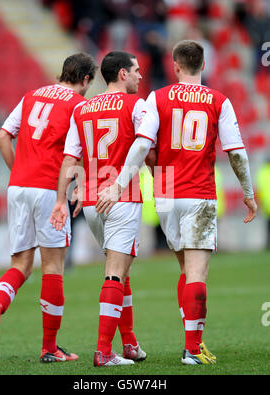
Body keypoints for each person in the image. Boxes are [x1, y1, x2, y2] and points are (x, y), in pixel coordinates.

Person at [96, 40, 258, 365]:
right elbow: (237, 153)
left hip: (166, 191)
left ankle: (194, 341)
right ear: (204, 65)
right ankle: (192, 349)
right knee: (197, 273)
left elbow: (143, 146)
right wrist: (248, 194)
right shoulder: (218, 101)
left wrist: (118, 184)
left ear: (176, 66)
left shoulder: (157, 98)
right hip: (198, 191)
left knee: (186, 271)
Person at [0, 52, 97, 364]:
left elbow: (3, 137)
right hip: (48, 189)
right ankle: (49, 347)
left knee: (21, 264)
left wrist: (19, 173)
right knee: (53, 266)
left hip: (18, 187)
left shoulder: (31, 96)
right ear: (85, 80)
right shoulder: (79, 104)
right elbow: (78, 154)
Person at [50, 51, 149, 367]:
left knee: (121, 269)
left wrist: (63, 198)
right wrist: (120, 183)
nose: (140, 76)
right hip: (120, 197)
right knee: (115, 273)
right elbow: (145, 144)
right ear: (122, 74)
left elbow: (70, 158)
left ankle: (130, 343)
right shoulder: (136, 105)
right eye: (136, 71)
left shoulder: (82, 108)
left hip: (91, 202)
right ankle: (104, 351)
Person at [256, 156, 270, 249]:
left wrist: (259, 204)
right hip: (267, 205)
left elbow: (259, 191)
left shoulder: (261, 173)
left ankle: (268, 244)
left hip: (267, 205)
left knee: (268, 227)